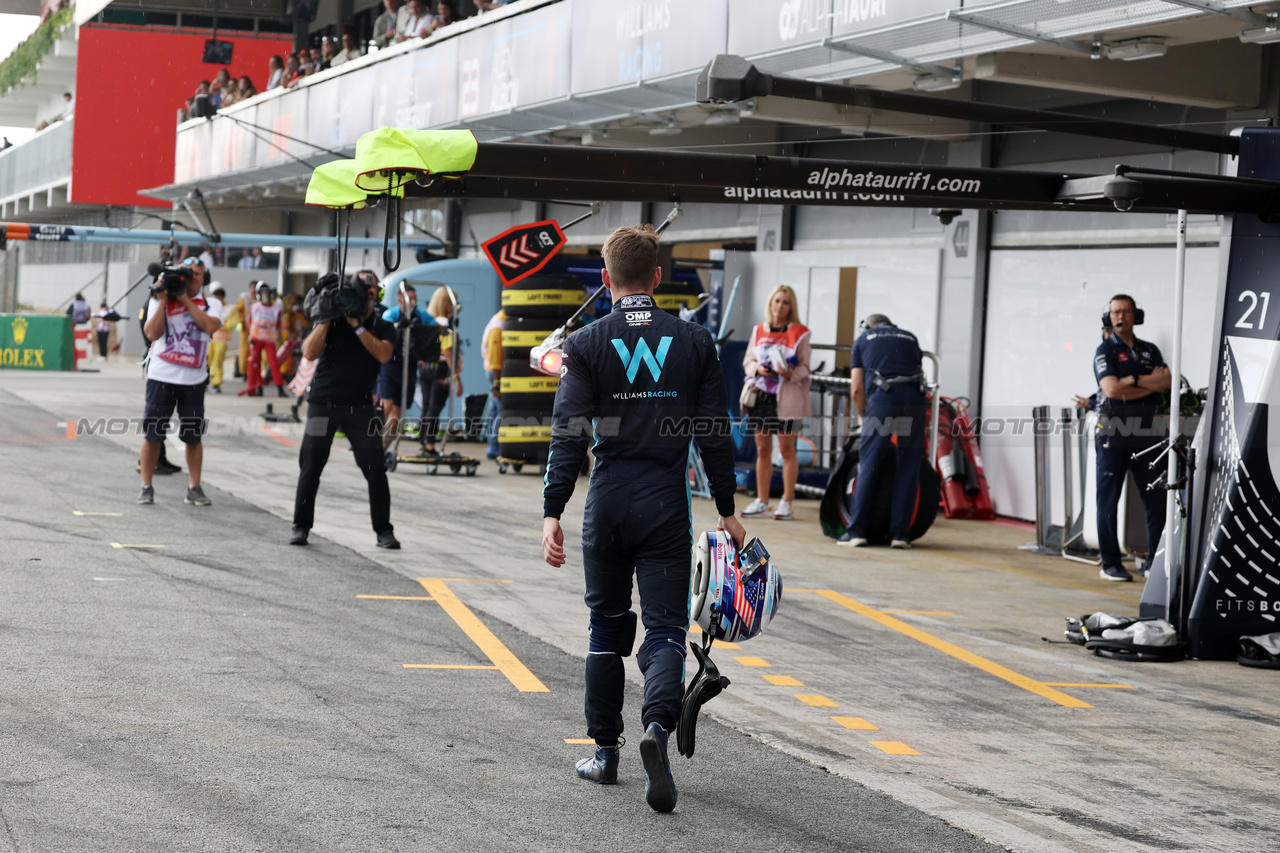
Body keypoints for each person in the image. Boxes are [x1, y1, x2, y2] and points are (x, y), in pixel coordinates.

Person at [541, 224, 744, 814]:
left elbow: (568, 435)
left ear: (605, 281)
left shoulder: (583, 344)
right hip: (664, 503)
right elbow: (713, 435)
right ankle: (656, 728)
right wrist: (728, 510)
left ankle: (605, 753)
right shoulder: (694, 341)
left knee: (606, 624)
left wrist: (552, 511)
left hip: (605, 501)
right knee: (664, 630)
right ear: (657, 278)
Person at [290, 271, 400, 549]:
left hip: (359, 407)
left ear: (377, 292)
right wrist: (328, 318)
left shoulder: (382, 324)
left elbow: (384, 354)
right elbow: (309, 352)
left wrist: (358, 326)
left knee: (375, 467)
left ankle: (384, 531)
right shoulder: (332, 318)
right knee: (311, 466)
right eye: (360, 287)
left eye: (370, 287)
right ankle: (300, 526)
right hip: (322, 404)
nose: (365, 292)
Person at [1093, 294, 1172, 582]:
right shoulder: (1104, 351)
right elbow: (1112, 391)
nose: (1120, 316)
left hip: (1147, 430)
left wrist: (1134, 381)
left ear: (1135, 315)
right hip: (1113, 431)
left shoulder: (1150, 350)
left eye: (1125, 311)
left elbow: (1166, 384)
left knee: (1156, 498)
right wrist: (1146, 384)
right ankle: (1110, 564)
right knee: (1108, 501)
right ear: (1109, 316)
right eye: (1115, 312)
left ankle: (1155, 562)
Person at [138, 257, 222, 507]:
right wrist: (164, 300)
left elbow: (209, 327)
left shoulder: (212, 303)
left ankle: (194, 488)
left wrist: (184, 299)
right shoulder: (159, 298)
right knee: (153, 435)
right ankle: (146, 485)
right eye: (189, 273)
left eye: (198, 274)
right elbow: (151, 334)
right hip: (161, 377)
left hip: (194, 380)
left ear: (204, 278)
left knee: (193, 437)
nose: (194, 277)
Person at [838, 314, 927, 549]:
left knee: (869, 464)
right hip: (914, 401)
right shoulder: (911, 338)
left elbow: (857, 389)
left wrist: (866, 417)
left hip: (883, 399)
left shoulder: (863, 339)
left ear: (868, 326)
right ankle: (901, 534)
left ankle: (856, 531)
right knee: (909, 465)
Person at [739, 284, 812, 521]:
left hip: (787, 398)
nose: (780, 306)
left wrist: (789, 373)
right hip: (760, 396)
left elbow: (805, 366)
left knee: (787, 451)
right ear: (771, 303)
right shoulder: (759, 330)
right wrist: (758, 368)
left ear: (791, 307)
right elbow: (748, 359)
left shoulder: (800, 332)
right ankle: (762, 501)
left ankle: (787, 502)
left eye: (786, 302)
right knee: (762, 450)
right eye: (777, 301)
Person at [379, 282, 435, 450]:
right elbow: (383, 329)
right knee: (386, 404)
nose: (413, 301)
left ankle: (383, 447)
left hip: (409, 365)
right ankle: (371, 440)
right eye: (409, 298)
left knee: (398, 412)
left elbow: (435, 328)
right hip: (390, 364)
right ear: (400, 299)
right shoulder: (392, 314)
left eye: (415, 298)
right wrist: (397, 327)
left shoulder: (421, 315)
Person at [420, 285, 460, 454]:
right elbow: (449, 351)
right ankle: (429, 444)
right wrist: (457, 377)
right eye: (453, 303)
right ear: (446, 304)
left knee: (427, 407)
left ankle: (424, 441)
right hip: (441, 369)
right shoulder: (446, 325)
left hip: (425, 368)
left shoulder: (427, 322)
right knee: (434, 407)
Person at [247, 282, 286, 397]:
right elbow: (251, 323)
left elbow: (278, 324)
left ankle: (279, 387)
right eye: (263, 293)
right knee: (255, 363)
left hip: (269, 339)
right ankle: (258, 387)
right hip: (256, 338)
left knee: (273, 363)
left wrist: (277, 337)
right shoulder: (254, 307)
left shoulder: (276, 309)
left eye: (267, 293)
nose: (265, 295)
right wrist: (251, 337)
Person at [481, 307, 505, 459]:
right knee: (501, 410)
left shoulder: (497, 319)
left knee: (494, 410)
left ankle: (492, 445)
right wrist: (497, 382)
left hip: (491, 370)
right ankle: (495, 445)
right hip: (495, 372)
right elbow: (496, 356)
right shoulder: (499, 326)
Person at [207, 286, 230, 393]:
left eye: (219, 297)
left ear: (223, 298)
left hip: (221, 341)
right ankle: (205, 382)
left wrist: (216, 323)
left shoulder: (229, 309)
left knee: (217, 362)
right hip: (209, 340)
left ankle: (216, 383)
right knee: (207, 361)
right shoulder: (209, 306)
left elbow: (230, 325)